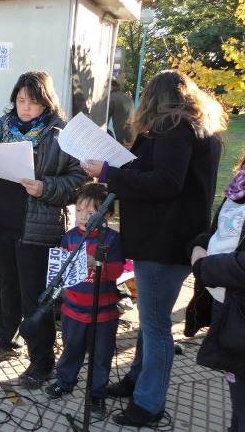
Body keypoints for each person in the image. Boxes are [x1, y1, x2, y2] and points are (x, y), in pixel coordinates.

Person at [81, 70, 227, 426]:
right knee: (151, 322)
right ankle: (136, 382)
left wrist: (109, 174)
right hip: (174, 241)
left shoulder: (174, 128)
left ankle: (148, 405)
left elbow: (165, 182)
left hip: (163, 243)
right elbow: (162, 174)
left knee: (157, 326)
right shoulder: (197, 128)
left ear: (153, 99)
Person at [0, 71, 87, 389]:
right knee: (7, 286)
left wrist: (44, 187)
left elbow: (79, 181)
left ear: (45, 102)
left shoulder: (60, 135)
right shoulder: (0, 128)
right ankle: (8, 340)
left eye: (32, 102)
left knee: (36, 297)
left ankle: (43, 361)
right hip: (0, 224)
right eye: (21, 100)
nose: (25, 107)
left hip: (36, 229)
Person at [43, 183, 124, 419]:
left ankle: (97, 393)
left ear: (106, 215)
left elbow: (118, 269)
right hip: (73, 309)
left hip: (104, 312)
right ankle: (65, 381)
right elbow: (61, 271)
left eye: (90, 213)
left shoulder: (112, 239)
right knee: (71, 349)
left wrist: (96, 264)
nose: (83, 217)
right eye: (78, 211)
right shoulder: (69, 237)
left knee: (101, 355)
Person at [191, 149, 245, 432]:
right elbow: (223, 227)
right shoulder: (241, 183)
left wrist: (205, 267)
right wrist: (200, 243)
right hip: (229, 308)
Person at [108, 74, 134, 147]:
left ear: (111, 86)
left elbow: (103, 124)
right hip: (133, 135)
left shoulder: (112, 98)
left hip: (122, 138)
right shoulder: (127, 97)